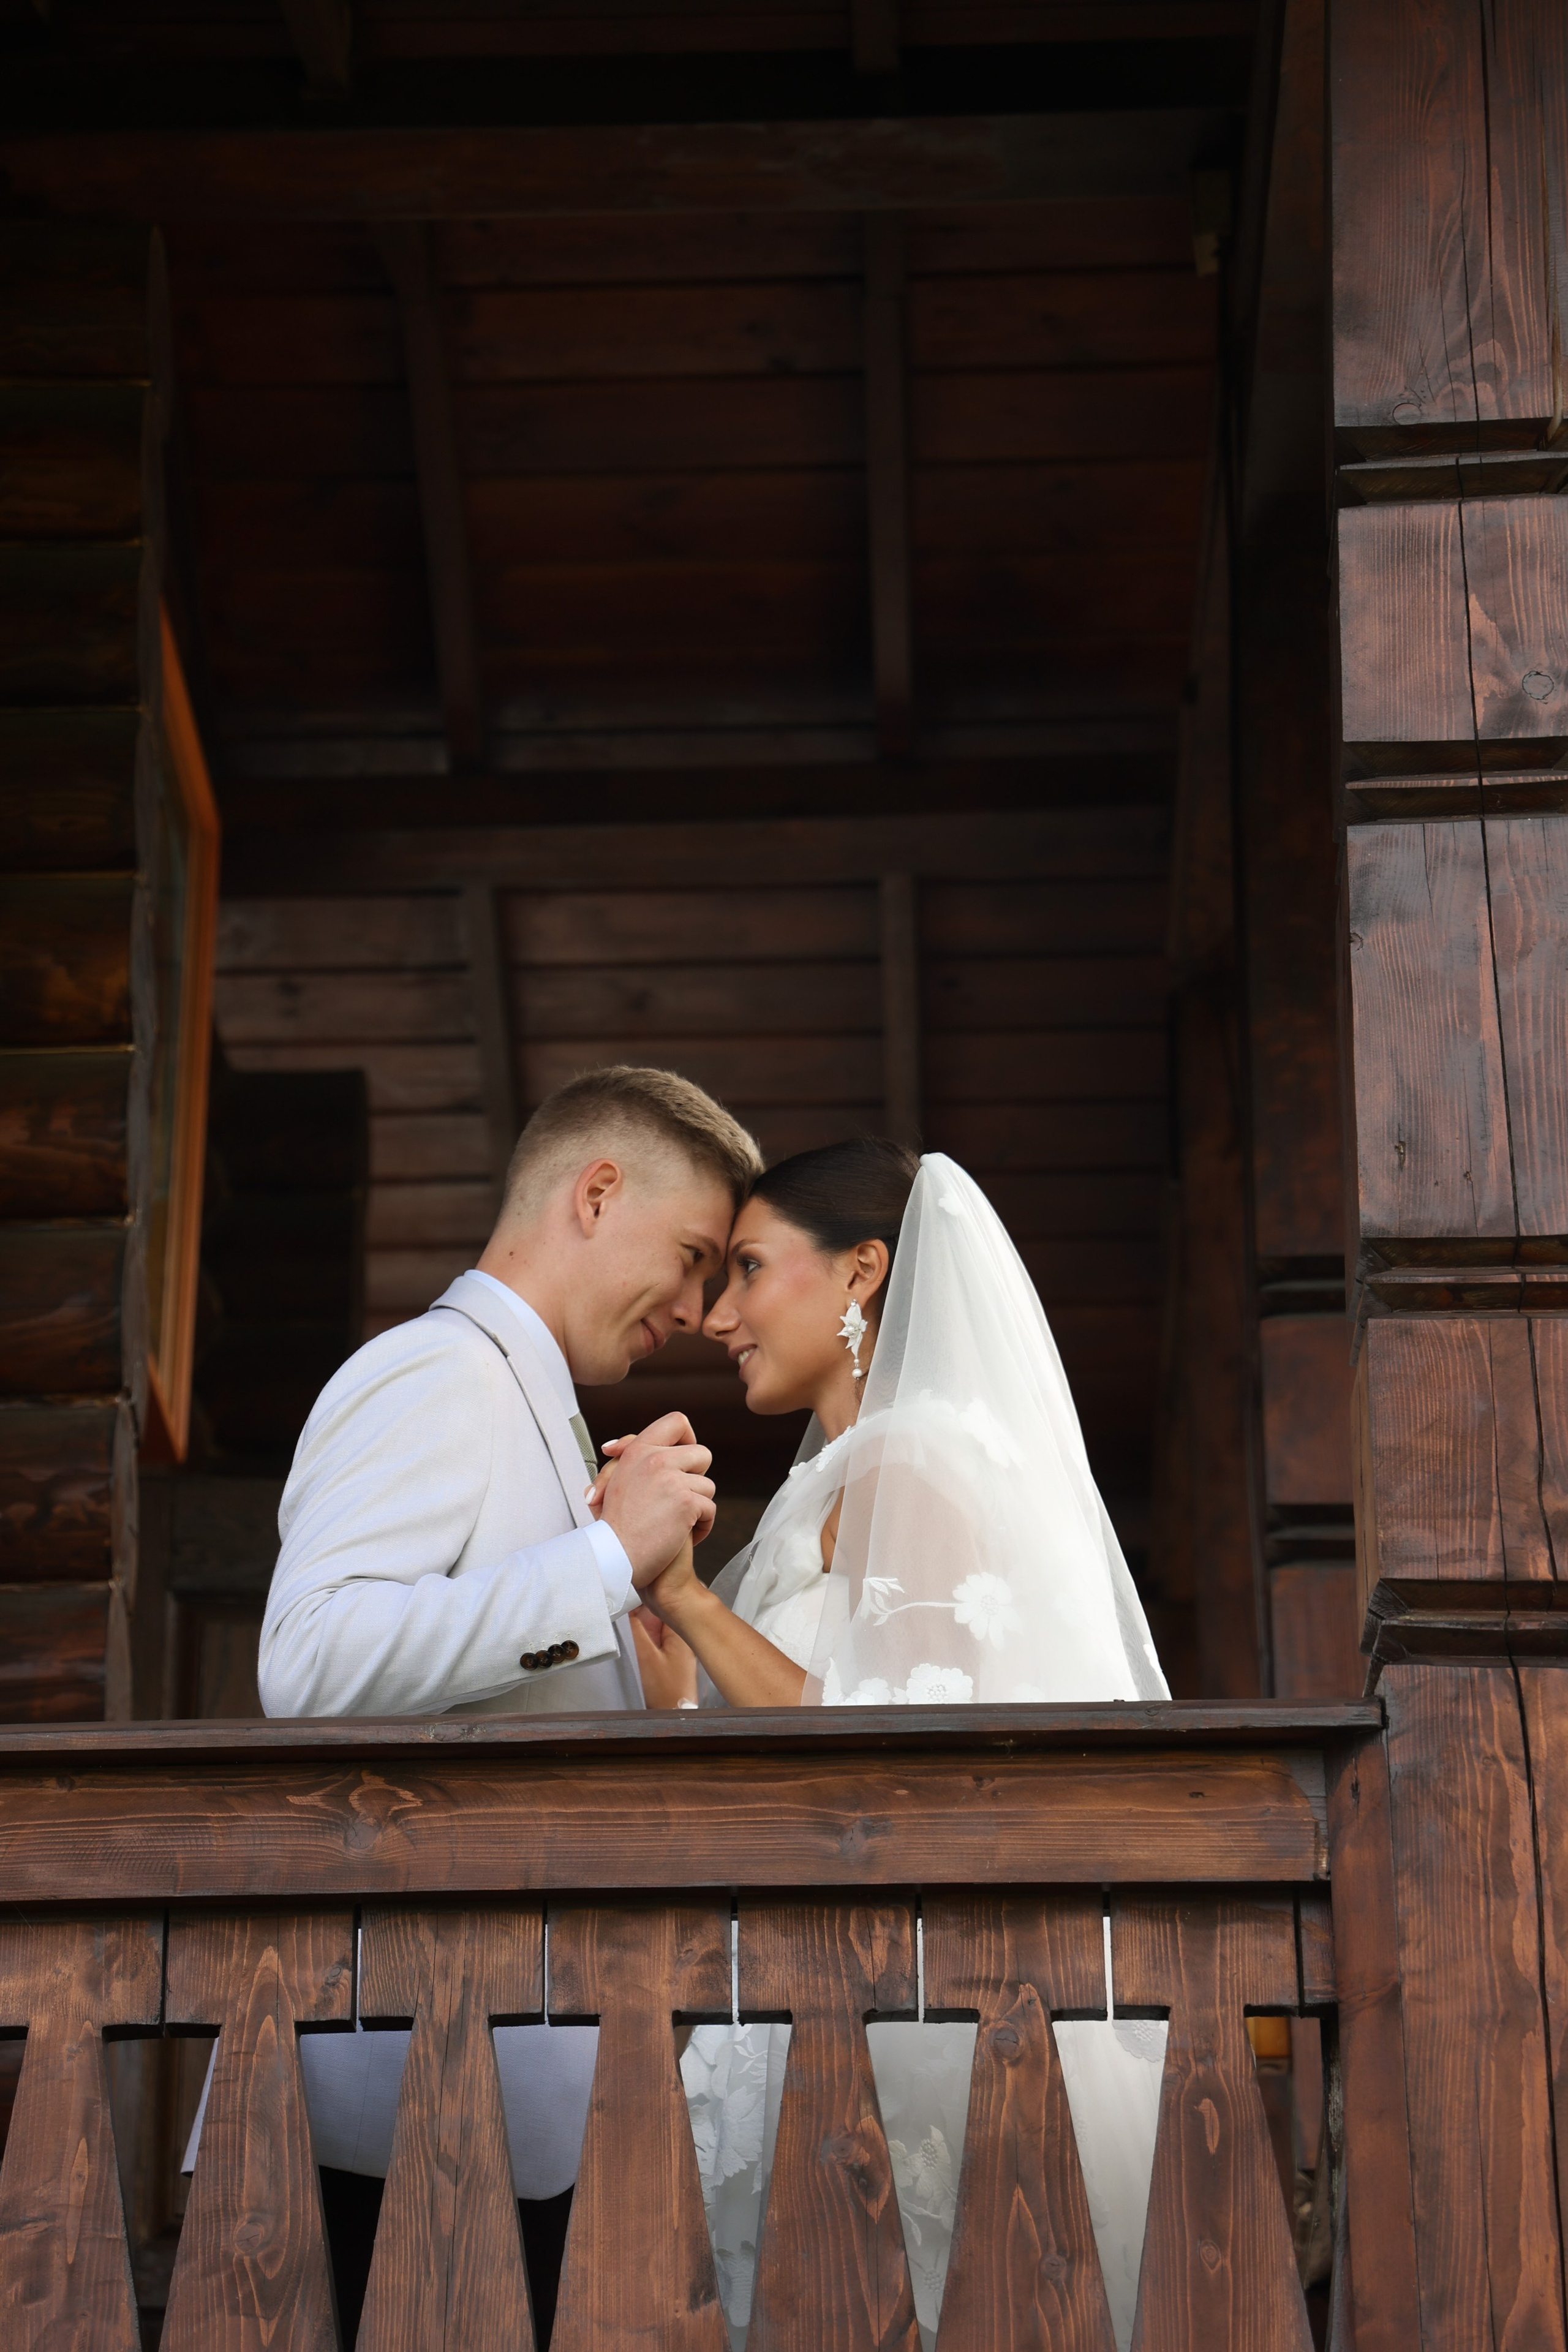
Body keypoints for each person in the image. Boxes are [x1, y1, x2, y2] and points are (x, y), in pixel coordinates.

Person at [612, 1139, 1169, 2352]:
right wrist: (660, 1645)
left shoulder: (913, 1458)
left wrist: (693, 1599)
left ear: (860, 1271)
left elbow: (877, 1753)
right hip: (802, 1973)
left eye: (750, 1269)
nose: (716, 1316)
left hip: (898, 2000)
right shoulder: (822, 1487)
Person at [247, 1064, 762, 2342]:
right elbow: (306, 1661)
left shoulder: (534, 1413)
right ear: (595, 1194)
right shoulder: (435, 1372)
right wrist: (596, 1563)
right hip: (394, 2111)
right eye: (693, 1256)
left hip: (501, 2114)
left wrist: (656, 1675)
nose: (699, 1310)